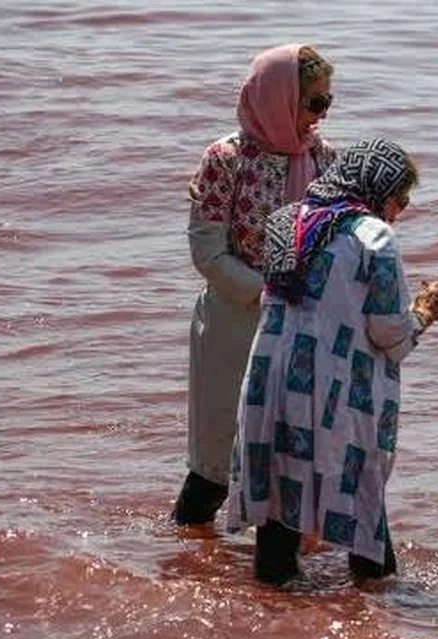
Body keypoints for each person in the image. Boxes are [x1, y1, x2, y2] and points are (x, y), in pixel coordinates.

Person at [225, 138, 438, 585]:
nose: (403, 208)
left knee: (277, 514)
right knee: (361, 506)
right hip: (334, 388)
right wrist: (429, 310)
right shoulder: (375, 237)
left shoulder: (285, 220)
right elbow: (388, 334)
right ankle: (382, 608)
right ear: (378, 190)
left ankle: (270, 621)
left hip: (270, 380)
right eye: (400, 197)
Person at [173, 44, 338, 525]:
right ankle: (184, 565)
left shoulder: (325, 159)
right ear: (277, 98)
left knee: (292, 463)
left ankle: (275, 584)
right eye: (313, 103)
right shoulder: (225, 160)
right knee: (214, 468)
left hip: (303, 328)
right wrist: (268, 292)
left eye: (326, 103)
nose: (320, 116)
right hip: (234, 323)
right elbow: (207, 252)